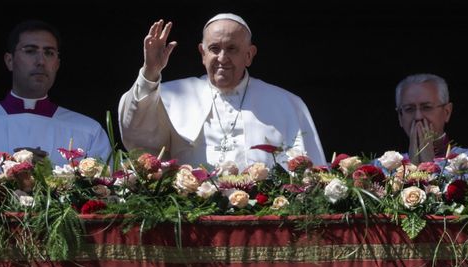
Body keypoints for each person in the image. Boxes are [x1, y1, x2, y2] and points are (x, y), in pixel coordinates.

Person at [118, 13, 327, 170]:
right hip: (193, 219)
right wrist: (150, 72)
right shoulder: (170, 96)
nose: (222, 58)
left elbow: (309, 173)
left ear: (249, 55)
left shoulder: (286, 103)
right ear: (202, 53)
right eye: (214, 49)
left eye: (232, 49)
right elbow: (137, 137)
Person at [0, 20, 111, 171]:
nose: (41, 61)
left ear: (56, 64)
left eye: (49, 53)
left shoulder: (88, 131)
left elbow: (109, 200)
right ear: (9, 61)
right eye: (30, 50)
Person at [395, 73, 468, 168]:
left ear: (447, 112)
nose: (418, 117)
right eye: (409, 109)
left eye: (427, 107)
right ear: (400, 116)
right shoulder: (384, 168)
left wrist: (427, 166)